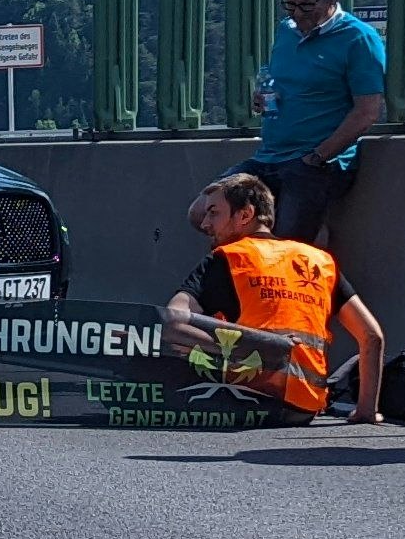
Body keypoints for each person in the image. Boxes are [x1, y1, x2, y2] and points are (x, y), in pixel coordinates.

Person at [162, 172, 383, 425]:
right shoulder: (320, 261)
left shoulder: (229, 258)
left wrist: (250, 346)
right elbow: (372, 336)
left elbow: (173, 323)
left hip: (247, 399)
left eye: (214, 213)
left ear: (245, 214)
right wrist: (366, 410)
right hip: (303, 408)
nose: (205, 224)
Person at [244, 0, 385, 245]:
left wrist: (317, 157)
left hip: (314, 162)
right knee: (205, 211)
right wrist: (264, 98)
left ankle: (315, 264)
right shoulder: (286, 30)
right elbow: (288, 82)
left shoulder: (359, 38)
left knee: (286, 242)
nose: (297, 14)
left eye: (307, 6)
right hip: (269, 155)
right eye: (290, 6)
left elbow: (367, 111)